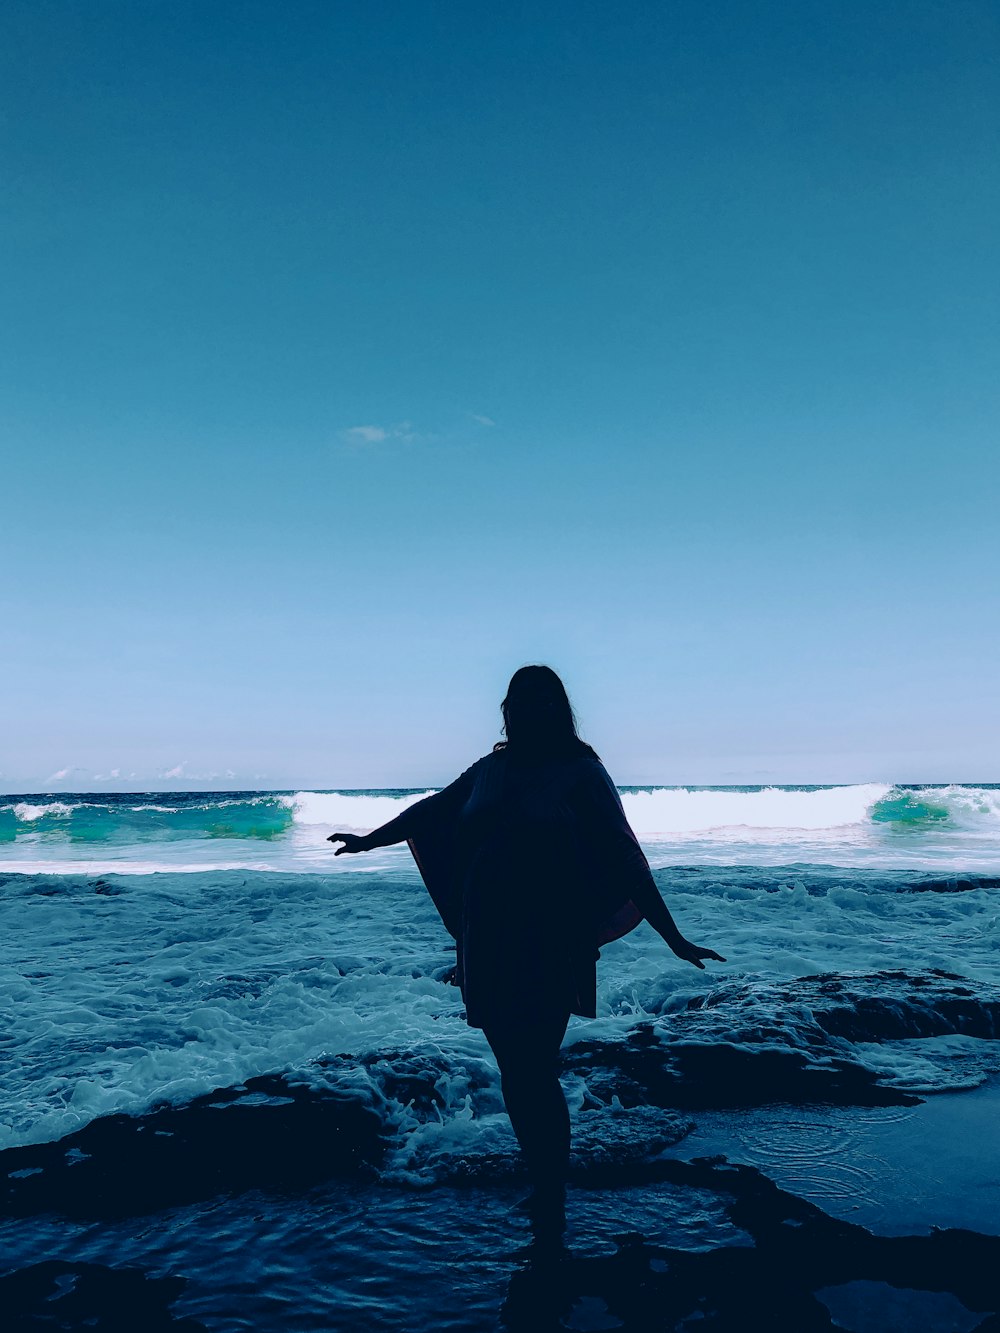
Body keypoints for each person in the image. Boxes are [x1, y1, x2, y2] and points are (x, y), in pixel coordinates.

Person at [328, 665, 724, 1221]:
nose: (522, 712)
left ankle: (551, 1195)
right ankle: (545, 1183)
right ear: (506, 710)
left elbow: (625, 857)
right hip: (489, 933)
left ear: (556, 709)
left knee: (534, 1067)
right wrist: (369, 840)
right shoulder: (492, 767)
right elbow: (434, 810)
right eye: (515, 702)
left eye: (537, 703)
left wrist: (673, 937)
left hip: (549, 937)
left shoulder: (580, 772)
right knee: (514, 1069)